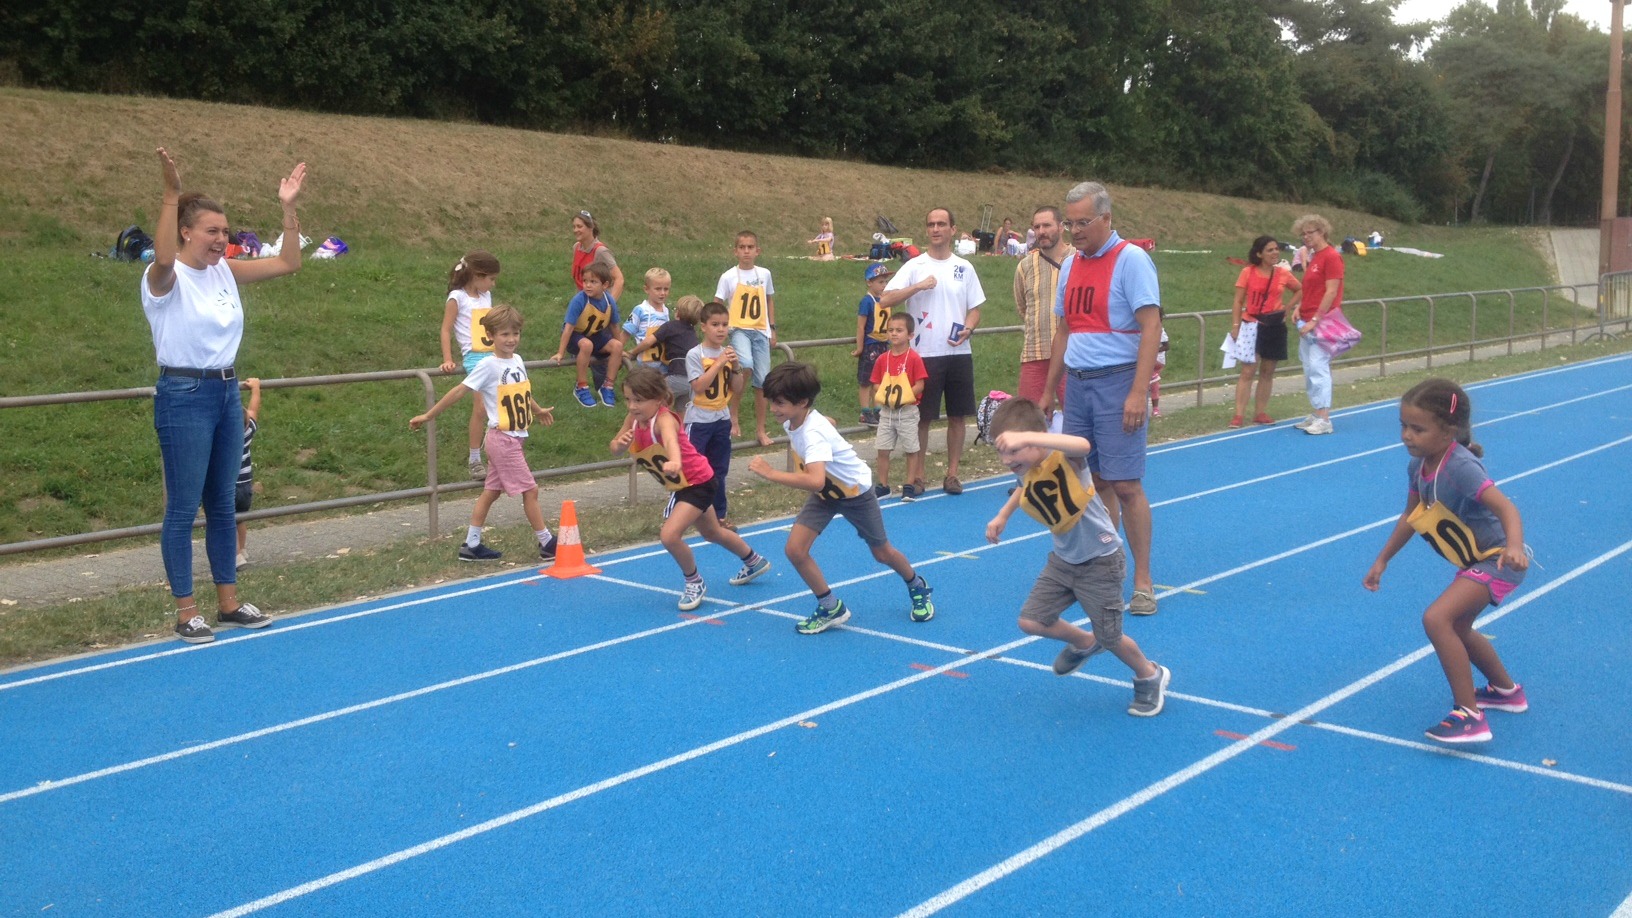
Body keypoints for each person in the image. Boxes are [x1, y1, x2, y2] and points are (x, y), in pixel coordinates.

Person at [142, 147, 305, 644]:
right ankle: (186, 610)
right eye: (211, 231)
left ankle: (228, 603)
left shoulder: (224, 272)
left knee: (222, 504)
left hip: (226, 393)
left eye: (225, 232)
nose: (221, 240)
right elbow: (165, 255)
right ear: (187, 231)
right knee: (183, 506)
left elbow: (290, 262)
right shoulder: (162, 278)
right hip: (183, 393)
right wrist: (171, 195)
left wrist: (288, 207)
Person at [1364, 379, 1530, 744]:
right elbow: (1411, 515)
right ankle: (1506, 692)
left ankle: (1469, 716)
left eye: (1418, 429)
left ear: (1448, 431)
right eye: (1403, 426)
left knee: (1437, 618)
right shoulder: (1419, 466)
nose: (1407, 435)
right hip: (1478, 560)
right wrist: (1383, 560)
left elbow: (1506, 507)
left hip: (1499, 561)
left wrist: (1514, 547)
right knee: (1457, 627)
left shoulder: (1460, 466)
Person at [984, 397, 1170, 716]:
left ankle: (1150, 674)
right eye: (1002, 452)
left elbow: (1082, 444)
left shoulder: (1066, 459)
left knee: (1110, 636)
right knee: (1030, 620)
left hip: (1101, 560)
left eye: (1012, 450)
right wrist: (1002, 515)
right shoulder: (1026, 468)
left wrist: (1029, 437)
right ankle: (1084, 642)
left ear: (1033, 438)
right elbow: (1022, 487)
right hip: (1063, 561)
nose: (1006, 459)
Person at [1040, 181, 1163, 617]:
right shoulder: (1071, 266)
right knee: (1089, 484)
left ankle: (1144, 583)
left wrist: (1137, 391)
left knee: (1126, 484)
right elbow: (1064, 331)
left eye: (1082, 222)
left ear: (1106, 219)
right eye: (1070, 223)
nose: (1074, 230)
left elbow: (1151, 327)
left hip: (1118, 383)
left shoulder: (1131, 260)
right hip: (1078, 385)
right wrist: (1049, 391)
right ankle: (1105, 567)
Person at [746, 362, 935, 634]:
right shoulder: (796, 419)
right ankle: (830, 606)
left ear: (802, 402)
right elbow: (827, 427)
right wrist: (829, 428)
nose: (773, 409)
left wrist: (771, 473)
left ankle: (917, 586)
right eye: (772, 402)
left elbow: (814, 479)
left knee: (882, 553)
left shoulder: (813, 434)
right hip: (827, 494)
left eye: (780, 403)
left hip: (854, 492)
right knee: (795, 550)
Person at [611, 367, 772, 610]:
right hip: (684, 483)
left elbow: (671, 441)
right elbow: (614, 447)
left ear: (658, 399)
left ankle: (694, 581)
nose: (633, 406)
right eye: (628, 399)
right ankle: (754, 561)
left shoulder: (664, 419)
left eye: (639, 400)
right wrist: (619, 444)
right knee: (712, 533)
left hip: (698, 481)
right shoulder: (633, 419)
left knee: (669, 535)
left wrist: (674, 461)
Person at [411, 305, 558, 563]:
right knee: (530, 490)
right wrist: (429, 415)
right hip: (503, 439)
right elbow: (459, 391)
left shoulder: (518, 360)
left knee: (491, 491)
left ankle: (472, 543)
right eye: (504, 334)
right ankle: (547, 542)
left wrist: (537, 409)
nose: (511, 339)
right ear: (490, 335)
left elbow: (522, 391)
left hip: (514, 437)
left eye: (515, 333)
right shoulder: (488, 365)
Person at [878, 207, 985, 496]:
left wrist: (969, 328)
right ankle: (919, 475)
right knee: (922, 418)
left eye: (941, 224)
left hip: (958, 352)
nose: (936, 229)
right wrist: (917, 287)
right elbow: (885, 299)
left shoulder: (965, 267)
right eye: (931, 224)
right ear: (926, 230)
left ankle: (952, 474)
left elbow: (975, 309)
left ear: (953, 229)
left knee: (957, 416)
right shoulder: (915, 266)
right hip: (923, 354)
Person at [438, 251, 502, 478]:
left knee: (499, 407)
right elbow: (446, 329)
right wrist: (448, 359)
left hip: (493, 354)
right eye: (491, 279)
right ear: (477, 275)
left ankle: (496, 451)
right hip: (475, 357)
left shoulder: (485, 297)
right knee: (481, 408)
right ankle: (475, 458)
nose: (493, 284)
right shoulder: (457, 297)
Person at [1227, 235, 1301, 427]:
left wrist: (1287, 308)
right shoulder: (1247, 272)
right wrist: (1235, 326)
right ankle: (1239, 414)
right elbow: (1238, 301)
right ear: (1259, 253)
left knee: (1268, 371)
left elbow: (1300, 289)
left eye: (1277, 249)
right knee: (1248, 370)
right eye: (1270, 250)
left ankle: (1260, 412)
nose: (1275, 252)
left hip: (1275, 325)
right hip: (1251, 324)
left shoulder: (1283, 273)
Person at [713, 230, 778, 446]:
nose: (746, 251)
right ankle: (733, 413)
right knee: (745, 365)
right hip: (738, 329)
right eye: (742, 247)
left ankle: (761, 429)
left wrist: (772, 328)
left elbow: (769, 300)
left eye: (750, 247)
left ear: (757, 251)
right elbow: (717, 303)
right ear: (736, 251)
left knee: (763, 381)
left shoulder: (764, 274)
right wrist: (719, 330)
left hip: (760, 331)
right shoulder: (729, 276)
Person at [686, 302, 740, 530]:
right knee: (695, 470)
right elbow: (699, 386)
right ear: (703, 327)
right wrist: (719, 363)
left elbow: (737, 388)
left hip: (721, 418)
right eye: (715, 325)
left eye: (725, 325)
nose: (721, 330)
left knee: (719, 470)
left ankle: (718, 516)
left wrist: (735, 367)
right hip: (699, 420)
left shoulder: (727, 353)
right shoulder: (694, 354)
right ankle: (689, 514)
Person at [1291, 214, 1343, 435]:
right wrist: (1299, 307)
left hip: (1322, 321)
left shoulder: (1331, 257)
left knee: (1318, 366)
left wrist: (1315, 319)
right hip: (1306, 317)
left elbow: (1331, 291)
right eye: (1303, 234)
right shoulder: (1314, 257)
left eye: (1310, 233)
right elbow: (1312, 288)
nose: (1305, 237)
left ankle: (1324, 417)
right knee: (1308, 366)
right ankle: (1317, 411)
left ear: (1322, 232)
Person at [1014, 206, 1070, 407]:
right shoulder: (1025, 266)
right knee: (1029, 421)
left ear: (1061, 227)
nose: (1041, 231)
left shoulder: (1078, 259)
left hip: (1071, 355)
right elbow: (1023, 307)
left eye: (1047, 225)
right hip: (1034, 353)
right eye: (1037, 227)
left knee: (1075, 419)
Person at [868, 313, 928, 499]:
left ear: (910, 335)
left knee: (911, 448)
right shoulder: (882, 359)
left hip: (907, 411)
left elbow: (920, 384)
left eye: (899, 330)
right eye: (891, 330)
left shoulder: (914, 359)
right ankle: (883, 485)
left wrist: (905, 395)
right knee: (883, 449)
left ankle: (909, 484)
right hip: (887, 411)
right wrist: (884, 394)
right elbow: (875, 383)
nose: (894, 334)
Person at [553, 262, 625, 408]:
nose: (587, 285)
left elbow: (614, 326)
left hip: (595, 335)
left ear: (605, 285)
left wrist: (621, 350)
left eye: (593, 282)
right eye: (585, 281)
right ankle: (581, 386)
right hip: (576, 336)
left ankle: (608, 386)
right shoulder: (579, 300)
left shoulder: (609, 300)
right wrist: (560, 352)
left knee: (617, 345)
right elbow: (568, 328)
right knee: (587, 345)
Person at [630, 293, 703, 414]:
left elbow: (649, 341)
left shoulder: (671, 326)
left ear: (678, 313)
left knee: (652, 398)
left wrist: (632, 352)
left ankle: (650, 427)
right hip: (694, 380)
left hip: (678, 376)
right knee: (682, 410)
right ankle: (681, 432)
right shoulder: (693, 333)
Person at [853, 262, 893, 427]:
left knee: (880, 379)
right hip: (871, 344)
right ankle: (865, 411)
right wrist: (860, 347)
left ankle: (877, 408)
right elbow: (861, 326)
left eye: (885, 282)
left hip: (883, 344)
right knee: (866, 380)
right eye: (880, 282)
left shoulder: (886, 300)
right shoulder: (867, 301)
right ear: (869, 282)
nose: (883, 285)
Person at [234, 377, 262, 571]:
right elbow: (253, 411)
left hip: (228, 484)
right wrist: (255, 390)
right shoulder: (247, 431)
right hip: (246, 485)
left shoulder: (220, 437)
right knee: (240, 518)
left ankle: (235, 556)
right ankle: (242, 550)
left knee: (226, 520)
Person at [622, 267, 672, 367]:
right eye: (658, 289)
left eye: (666, 289)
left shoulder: (666, 311)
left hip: (663, 363)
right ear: (646, 289)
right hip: (646, 364)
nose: (662, 293)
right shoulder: (640, 310)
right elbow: (626, 332)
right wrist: (618, 352)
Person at [1148, 325, 1169, 418]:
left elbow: (1167, 346)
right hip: (1148, 360)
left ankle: (1152, 374)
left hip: (1157, 360)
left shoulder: (1160, 330)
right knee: (1154, 386)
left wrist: (1153, 350)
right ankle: (1155, 409)